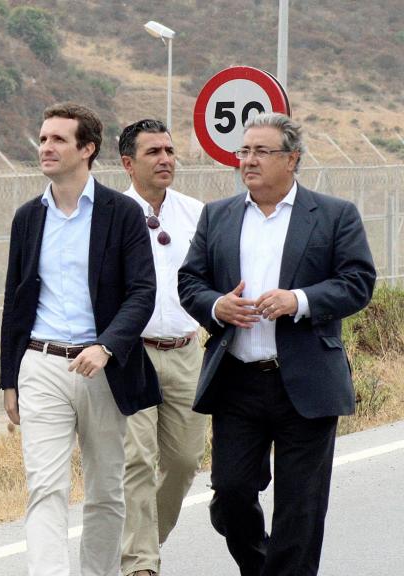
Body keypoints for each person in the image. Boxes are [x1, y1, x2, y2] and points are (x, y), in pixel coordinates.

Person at [178, 113, 375, 576]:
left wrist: (299, 300)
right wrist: (215, 306)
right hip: (238, 382)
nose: (248, 160)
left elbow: (357, 283)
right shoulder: (218, 215)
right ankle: (263, 566)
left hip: (306, 383)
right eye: (244, 151)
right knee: (230, 494)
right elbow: (190, 281)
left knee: (300, 508)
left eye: (261, 152)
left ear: (292, 160)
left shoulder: (333, 214)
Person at [0, 102, 160, 576]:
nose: (46, 147)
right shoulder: (28, 217)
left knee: (106, 489)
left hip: (103, 368)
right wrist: (10, 379)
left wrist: (107, 345)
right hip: (42, 363)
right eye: (43, 137)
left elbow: (142, 292)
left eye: (58, 139)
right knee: (44, 487)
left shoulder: (123, 213)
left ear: (87, 149)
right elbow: (15, 302)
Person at [117, 119, 207, 576]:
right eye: (154, 152)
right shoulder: (111, 217)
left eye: (170, 150)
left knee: (185, 459)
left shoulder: (196, 212)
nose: (166, 159)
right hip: (133, 353)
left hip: (187, 349)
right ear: (128, 162)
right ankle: (141, 565)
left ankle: (141, 543)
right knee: (136, 459)